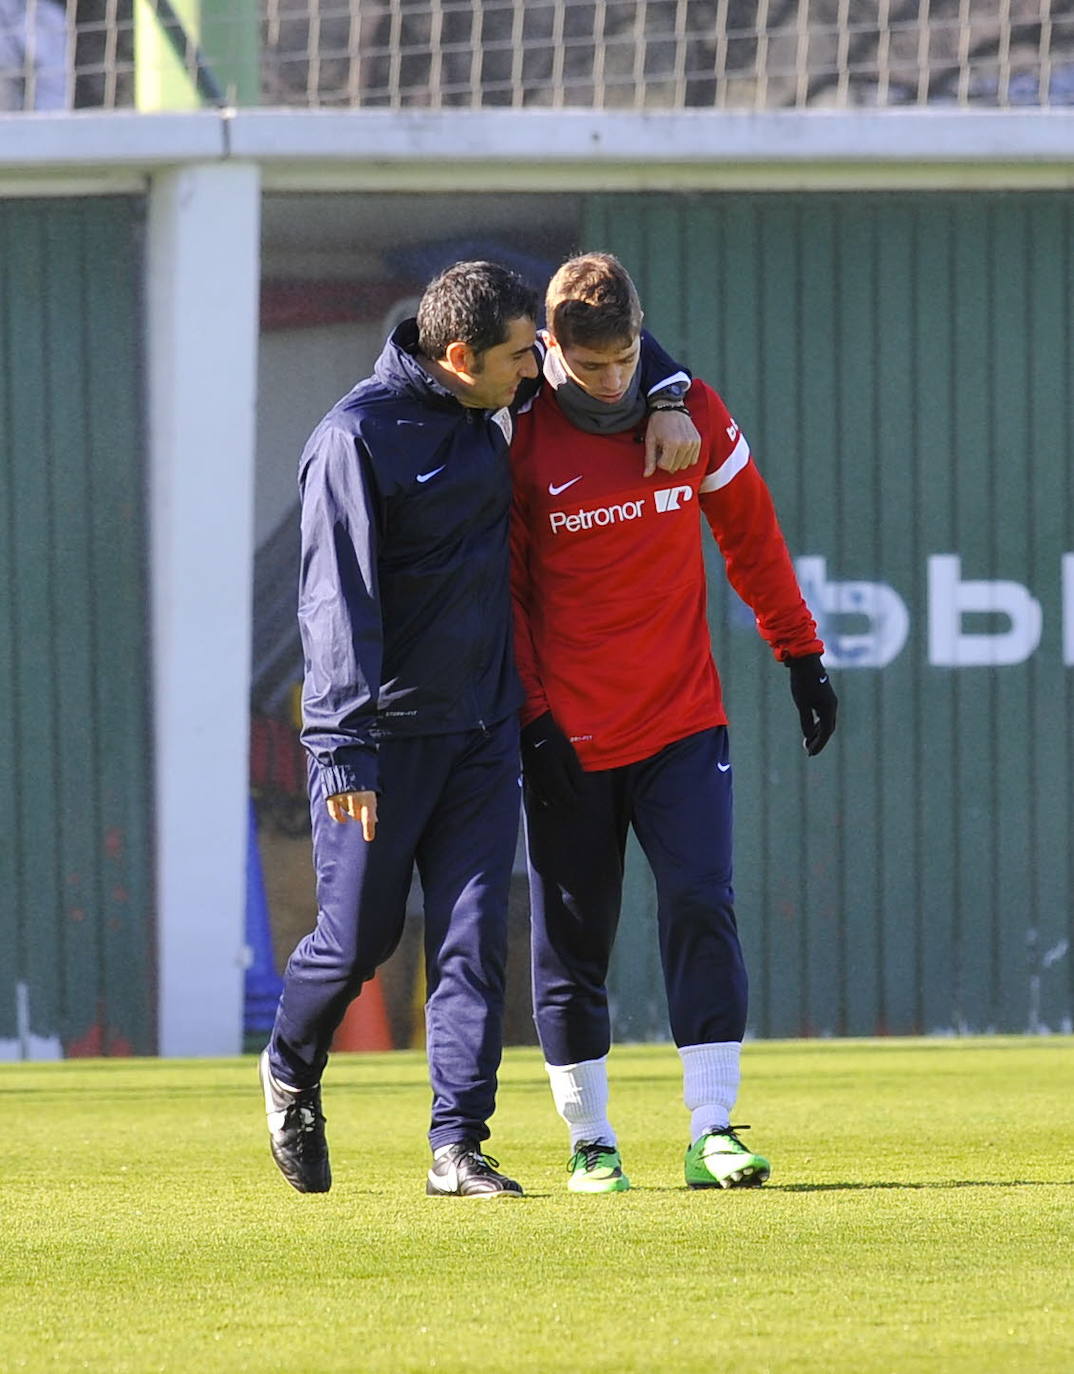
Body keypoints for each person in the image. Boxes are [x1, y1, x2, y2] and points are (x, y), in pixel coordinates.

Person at [259, 259, 701, 1199]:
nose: (534, 372)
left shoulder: (496, 400)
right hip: (377, 742)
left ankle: (457, 1148)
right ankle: (291, 1068)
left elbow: (603, 325)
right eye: (517, 358)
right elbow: (334, 606)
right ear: (459, 357)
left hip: (481, 732)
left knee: (473, 938)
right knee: (360, 941)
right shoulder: (355, 439)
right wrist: (341, 748)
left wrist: (665, 389)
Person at [510, 252, 837, 1194]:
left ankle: (713, 1127)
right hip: (565, 736)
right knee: (573, 939)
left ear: (643, 335)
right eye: (591, 367)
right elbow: (506, 597)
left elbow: (751, 531)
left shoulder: (688, 408)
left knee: (702, 904)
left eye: (627, 362)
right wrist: (533, 719)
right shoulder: (518, 433)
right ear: (550, 351)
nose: (612, 382)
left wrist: (800, 653)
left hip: (682, 722)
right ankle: (591, 1141)